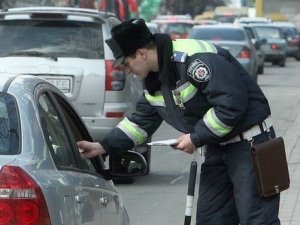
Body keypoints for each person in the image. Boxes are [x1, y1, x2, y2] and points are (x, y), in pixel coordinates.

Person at [77, 18, 280, 225]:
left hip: (252, 145)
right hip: (218, 147)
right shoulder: (155, 80)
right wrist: (102, 146)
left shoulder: (195, 60)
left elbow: (230, 104)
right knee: (211, 219)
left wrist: (195, 137)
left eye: (126, 63)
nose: (127, 70)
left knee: (258, 220)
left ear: (141, 53)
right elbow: (139, 122)